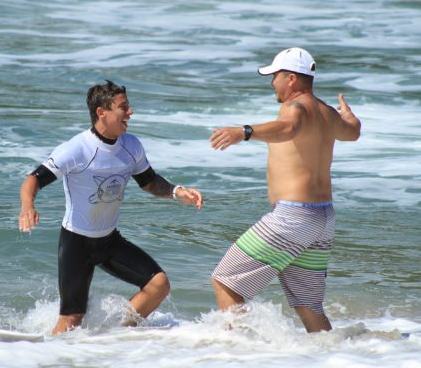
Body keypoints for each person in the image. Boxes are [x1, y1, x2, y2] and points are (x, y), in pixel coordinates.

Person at [18, 80, 204, 335]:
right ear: (102, 112)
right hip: (77, 243)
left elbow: (149, 182)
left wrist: (176, 192)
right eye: (123, 108)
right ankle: (45, 355)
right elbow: (33, 179)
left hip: (109, 241)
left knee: (158, 285)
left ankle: (115, 337)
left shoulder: (131, 146)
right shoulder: (76, 149)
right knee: (72, 319)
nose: (130, 113)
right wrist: (28, 206)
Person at [209, 47, 361, 333]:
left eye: (275, 76)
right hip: (323, 219)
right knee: (309, 306)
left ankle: (239, 354)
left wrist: (244, 132)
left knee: (225, 280)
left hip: (294, 217)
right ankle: (336, 358)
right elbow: (352, 132)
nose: (271, 83)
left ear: (291, 78)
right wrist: (351, 118)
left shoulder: (295, 107)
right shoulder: (327, 113)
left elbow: (288, 128)